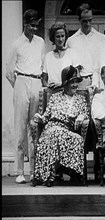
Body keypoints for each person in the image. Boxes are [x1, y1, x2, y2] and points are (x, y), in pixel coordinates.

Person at [32, 65, 89, 187]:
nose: (74, 85)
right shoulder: (55, 97)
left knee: (62, 136)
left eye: (76, 82)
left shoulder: (81, 99)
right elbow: (46, 117)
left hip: (68, 130)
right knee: (54, 133)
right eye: (71, 82)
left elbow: (85, 113)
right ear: (65, 84)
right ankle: (52, 174)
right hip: (52, 127)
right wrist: (39, 117)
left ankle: (51, 174)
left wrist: (81, 117)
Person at [6, 9, 45, 184]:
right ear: (25, 24)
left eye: (37, 25)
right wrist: (19, 88)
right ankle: (20, 171)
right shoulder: (16, 44)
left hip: (36, 82)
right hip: (21, 81)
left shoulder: (41, 42)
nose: (34, 29)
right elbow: (8, 71)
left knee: (34, 127)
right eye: (32, 25)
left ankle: (35, 171)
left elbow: (42, 65)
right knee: (21, 128)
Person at [66, 3, 105, 90]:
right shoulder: (71, 41)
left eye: (90, 20)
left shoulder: (101, 38)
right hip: (79, 84)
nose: (88, 24)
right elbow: (67, 65)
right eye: (85, 21)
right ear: (79, 20)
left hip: (98, 82)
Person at [41, 22, 79, 89]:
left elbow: (76, 77)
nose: (61, 39)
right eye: (58, 36)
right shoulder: (48, 56)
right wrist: (48, 87)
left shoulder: (71, 53)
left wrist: (62, 84)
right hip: (52, 91)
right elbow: (44, 79)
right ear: (53, 38)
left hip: (67, 91)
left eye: (62, 36)